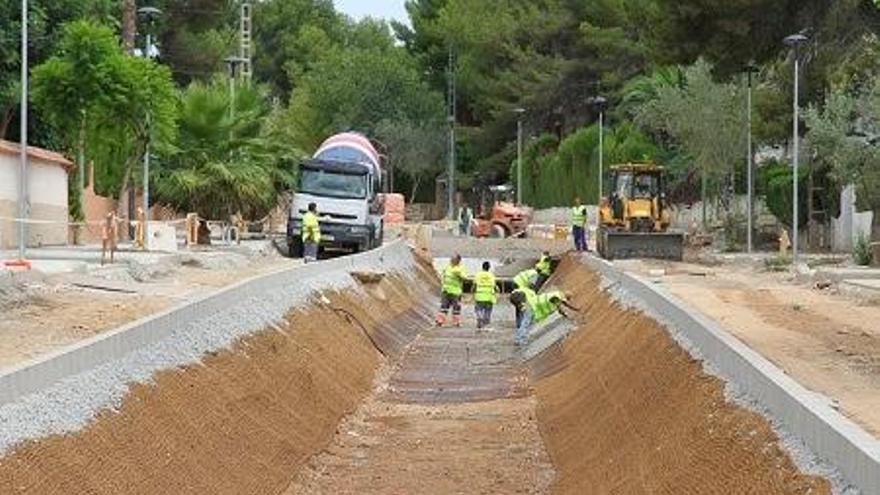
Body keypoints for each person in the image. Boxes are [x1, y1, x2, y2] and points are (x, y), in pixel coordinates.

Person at [514, 289, 579, 346]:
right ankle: (519, 340)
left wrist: (575, 309)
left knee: (528, 324)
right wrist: (567, 316)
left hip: (533, 306)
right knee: (525, 324)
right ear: (566, 297)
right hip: (532, 306)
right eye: (568, 299)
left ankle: (520, 339)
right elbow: (560, 309)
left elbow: (565, 304)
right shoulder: (556, 297)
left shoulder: (557, 295)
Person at [436, 254, 468, 327]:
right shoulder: (453, 268)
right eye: (452, 259)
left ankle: (449, 321)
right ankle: (445, 321)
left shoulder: (454, 268)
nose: (452, 260)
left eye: (453, 259)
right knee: (449, 307)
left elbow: (464, 278)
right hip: (450, 291)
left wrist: (459, 275)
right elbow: (464, 278)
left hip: (451, 291)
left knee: (450, 307)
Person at [473, 261, 497, 329]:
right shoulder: (491, 275)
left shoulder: (478, 274)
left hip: (480, 296)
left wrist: (472, 292)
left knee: (478, 309)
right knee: (488, 311)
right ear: (489, 268)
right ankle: (485, 324)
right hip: (489, 296)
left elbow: (474, 285)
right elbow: (494, 286)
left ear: (482, 267)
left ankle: (479, 317)